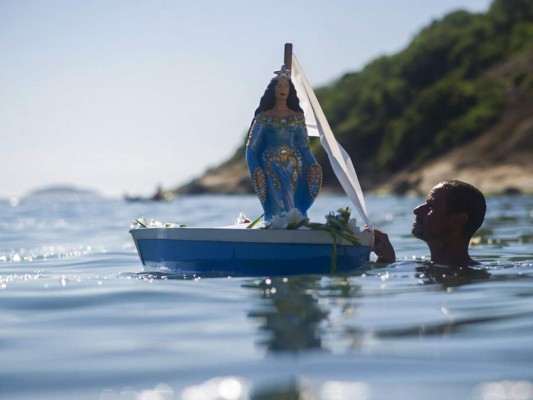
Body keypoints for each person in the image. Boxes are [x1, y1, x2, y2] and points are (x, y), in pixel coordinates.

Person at [245, 66, 322, 221]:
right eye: (279, 86)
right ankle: (275, 221)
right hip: (271, 165)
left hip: (294, 165)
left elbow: (303, 146)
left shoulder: (297, 117)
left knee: (293, 200)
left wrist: (312, 164)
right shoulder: (264, 117)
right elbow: (252, 148)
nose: (282, 89)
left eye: (286, 86)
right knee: (276, 199)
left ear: (290, 90)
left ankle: (295, 219)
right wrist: (256, 168)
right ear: (273, 90)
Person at [372, 180, 487, 268]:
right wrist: (386, 258)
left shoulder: (468, 273)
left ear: (457, 220)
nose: (416, 210)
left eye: (431, 206)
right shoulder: (420, 268)